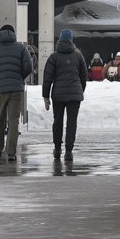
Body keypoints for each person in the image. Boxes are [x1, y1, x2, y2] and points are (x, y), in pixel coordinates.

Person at [0, 23, 33, 162]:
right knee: (14, 120)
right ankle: (11, 152)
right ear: (13, 33)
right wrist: (19, 77)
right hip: (16, 89)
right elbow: (28, 66)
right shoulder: (21, 48)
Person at [42, 29, 88, 161]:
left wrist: (46, 96)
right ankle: (69, 151)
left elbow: (47, 78)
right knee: (72, 123)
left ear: (59, 40)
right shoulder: (78, 56)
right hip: (75, 95)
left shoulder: (54, 57)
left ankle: (57, 149)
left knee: (58, 122)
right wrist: (80, 90)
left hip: (58, 95)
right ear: (71, 40)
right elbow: (83, 76)